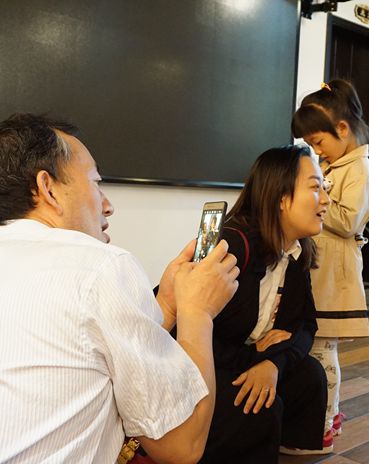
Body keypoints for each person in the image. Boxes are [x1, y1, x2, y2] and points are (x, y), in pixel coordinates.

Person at [0, 113, 239, 464]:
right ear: (48, 188)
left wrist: (166, 307)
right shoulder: (100, 266)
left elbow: (87, 356)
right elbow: (181, 445)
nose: (108, 205)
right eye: (96, 183)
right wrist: (198, 313)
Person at [196, 145, 330, 463]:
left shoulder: (296, 251)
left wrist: (271, 365)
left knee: (310, 375)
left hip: (245, 358)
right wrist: (255, 356)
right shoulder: (232, 247)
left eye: (325, 187)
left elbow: (305, 325)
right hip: (204, 368)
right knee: (260, 406)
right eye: (315, 187)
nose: (325, 199)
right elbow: (188, 333)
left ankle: (281, 449)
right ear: (281, 198)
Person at [291, 79, 369, 445]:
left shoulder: (359, 170)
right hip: (320, 272)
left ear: (342, 129)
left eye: (318, 141)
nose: (316, 150)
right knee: (312, 347)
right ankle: (318, 415)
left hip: (335, 278)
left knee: (323, 350)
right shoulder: (334, 165)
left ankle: (326, 421)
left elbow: (349, 221)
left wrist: (317, 195)